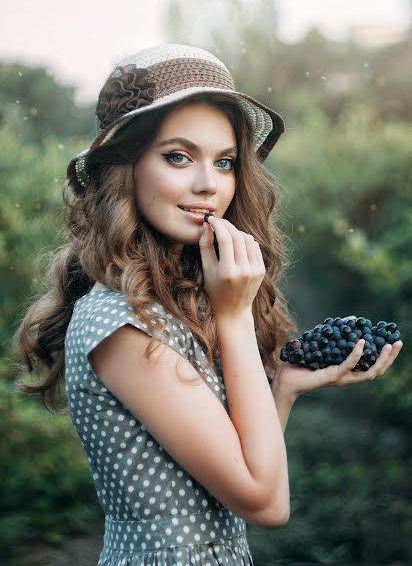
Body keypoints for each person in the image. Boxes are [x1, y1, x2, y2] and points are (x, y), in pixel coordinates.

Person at [14, 43, 403, 566]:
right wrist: (235, 314)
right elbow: (265, 504)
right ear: (124, 168)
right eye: (178, 156)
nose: (208, 185)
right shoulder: (121, 325)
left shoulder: (171, 303)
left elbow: (241, 472)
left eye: (224, 162)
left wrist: (283, 388)